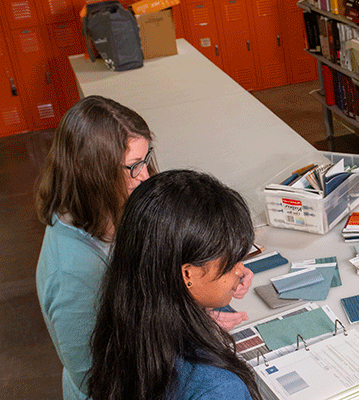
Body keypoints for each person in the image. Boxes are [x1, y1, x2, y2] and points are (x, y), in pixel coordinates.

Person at [35, 96, 251, 400]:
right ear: (95, 175)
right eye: (134, 167)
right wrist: (189, 329)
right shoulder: (69, 275)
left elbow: (156, 274)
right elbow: (96, 379)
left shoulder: (116, 209)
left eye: (146, 159)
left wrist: (220, 270)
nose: (146, 176)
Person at [87, 169, 262, 400]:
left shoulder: (126, 330)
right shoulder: (218, 388)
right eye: (230, 261)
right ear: (187, 274)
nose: (240, 270)